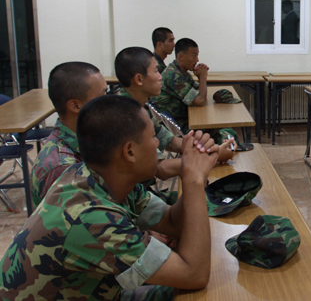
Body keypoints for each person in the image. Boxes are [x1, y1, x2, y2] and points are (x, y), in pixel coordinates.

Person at [0, 95, 218, 299]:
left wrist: (194, 177)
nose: (157, 144)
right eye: (153, 137)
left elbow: (171, 222)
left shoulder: (102, 177)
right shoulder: (90, 217)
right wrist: (194, 181)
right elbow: (194, 275)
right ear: (129, 152)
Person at [115, 46, 235, 170]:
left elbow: (170, 142)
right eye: (156, 71)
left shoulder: (139, 107)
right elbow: (160, 168)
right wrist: (213, 157)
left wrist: (211, 149)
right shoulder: (126, 116)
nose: (160, 76)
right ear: (139, 79)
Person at [30, 62, 108, 207]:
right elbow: (83, 224)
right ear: (75, 106)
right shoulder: (61, 167)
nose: (109, 102)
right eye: (102, 96)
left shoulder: (90, 139)